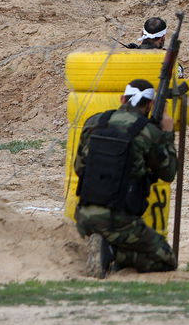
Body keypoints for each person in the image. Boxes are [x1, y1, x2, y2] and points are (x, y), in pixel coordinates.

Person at [74, 78, 178, 278]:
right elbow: (169, 172)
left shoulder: (94, 122)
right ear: (150, 105)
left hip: (84, 217)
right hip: (119, 220)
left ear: (122, 99)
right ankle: (114, 252)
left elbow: (80, 168)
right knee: (166, 260)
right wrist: (167, 133)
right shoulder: (149, 132)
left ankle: (103, 243)